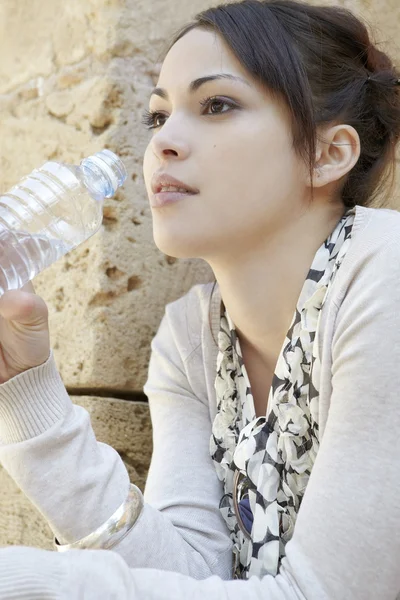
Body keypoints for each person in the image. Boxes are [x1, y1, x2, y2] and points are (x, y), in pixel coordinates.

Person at [0, 0, 399, 597]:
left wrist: (33, 581)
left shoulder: (384, 272)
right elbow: (180, 577)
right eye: (157, 117)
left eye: (217, 105)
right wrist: (27, 387)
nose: (165, 143)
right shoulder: (192, 338)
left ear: (327, 154)